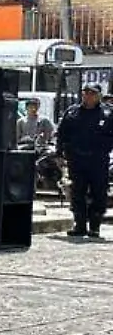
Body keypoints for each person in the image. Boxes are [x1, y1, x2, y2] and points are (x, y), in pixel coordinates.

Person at [58, 83, 113, 238]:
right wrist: (59, 152)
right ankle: (80, 225)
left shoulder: (108, 113)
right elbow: (62, 133)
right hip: (76, 159)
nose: (88, 96)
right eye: (86, 93)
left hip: (98, 160)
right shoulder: (72, 112)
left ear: (99, 96)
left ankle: (94, 227)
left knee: (99, 193)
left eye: (92, 93)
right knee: (77, 193)